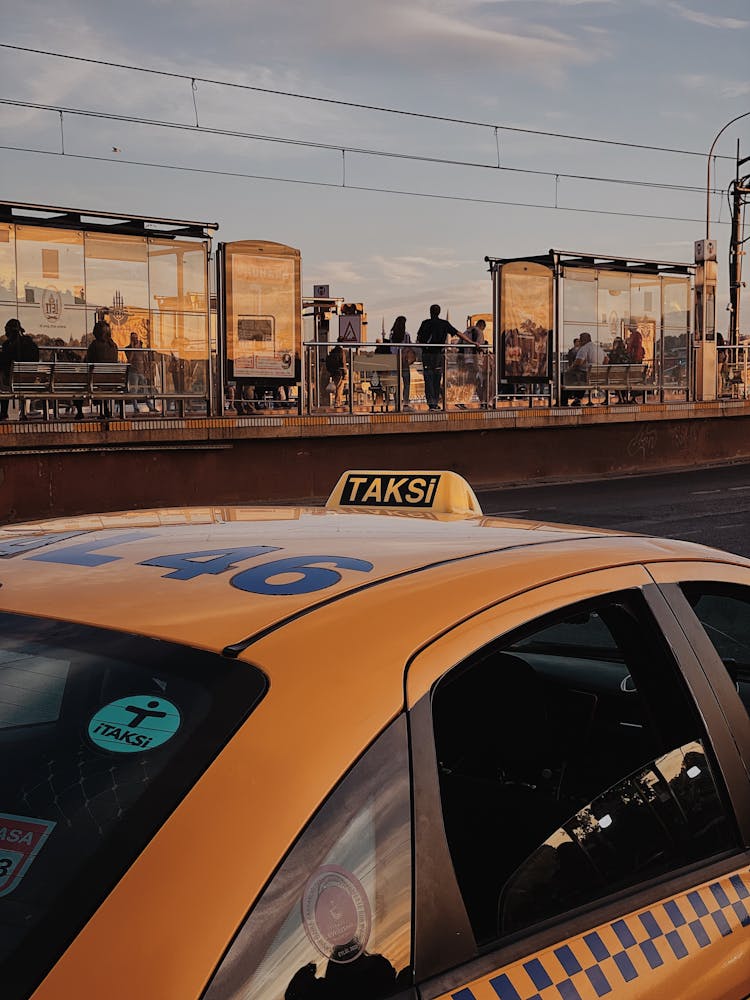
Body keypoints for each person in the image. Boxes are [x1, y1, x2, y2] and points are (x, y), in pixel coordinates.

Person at [416, 304, 459, 409]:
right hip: (438, 355)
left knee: (428, 378)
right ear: (439, 312)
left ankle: (431, 403)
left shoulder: (425, 323)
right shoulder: (444, 324)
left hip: (427, 354)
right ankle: (435, 402)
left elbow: (418, 338)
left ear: (430, 312)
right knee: (437, 378)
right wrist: (472, 342)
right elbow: (457, 332)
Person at [0, 318, 40, 420]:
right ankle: (23, 413)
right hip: (30, 380)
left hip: (13, 381)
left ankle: (3, 412)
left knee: (2, 380)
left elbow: (4, 362)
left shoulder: (8, 346)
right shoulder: (32, 346)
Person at [86, 319, 120, 418]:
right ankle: (106, 408)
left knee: (78, 384)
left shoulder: (95, 345)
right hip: (113, 380)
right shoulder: (113, 345)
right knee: (103, 383)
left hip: (98, 380)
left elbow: (89, 361)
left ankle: (80, 411)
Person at [388, 315, 414, 410]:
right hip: (404, 362)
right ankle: (406, 403)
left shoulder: (392, 334)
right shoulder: (406, 335)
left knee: (396, 383)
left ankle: (397, 403)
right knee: (406, 383)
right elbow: (408, 347)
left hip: (394, 361)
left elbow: (391, 348)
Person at [563, 331, 596, 406]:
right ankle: (577, 398)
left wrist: (570, 369)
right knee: (579, 378)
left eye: (580, 340)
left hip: (585, 376)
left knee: (564, 376)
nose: (580, 341)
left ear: (584, 340)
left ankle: (564, 400)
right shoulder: (597, 348)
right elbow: (606, 359)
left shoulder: (584, 349)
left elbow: (578, 362)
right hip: (595, 376)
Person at [605, 336, 631, 404]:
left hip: (616, 376)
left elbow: (609, 363)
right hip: (627, 376)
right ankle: (625, 398)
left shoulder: (613, 353)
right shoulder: (626, 353)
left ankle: (620, 398)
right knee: (623, 381)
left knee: (610, 379)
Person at [324, 341, 347, 407]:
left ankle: (337, 402)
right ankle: (337, 402)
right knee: (339, 387)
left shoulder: (333, 351)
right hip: (339, 372)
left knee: (337, 387)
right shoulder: (341, 351)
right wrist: (345, 373)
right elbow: (343, 362)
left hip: (333, 371)